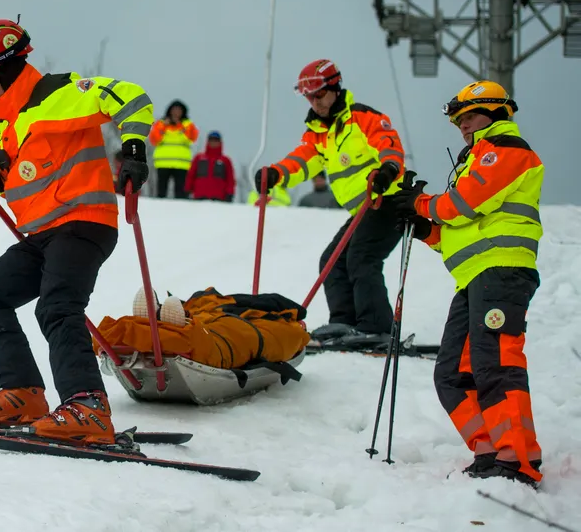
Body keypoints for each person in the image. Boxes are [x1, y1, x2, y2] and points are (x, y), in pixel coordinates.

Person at [0, 18, 153, 445]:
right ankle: (22, 392)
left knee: (57, 306)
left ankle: (88, 407)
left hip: (83, 221)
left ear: (2, 70)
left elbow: (130, 96)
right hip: (43, 234)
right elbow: (20, 166)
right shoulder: (3, 122)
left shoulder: (57, 95)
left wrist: (133, 150)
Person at [391, 81, 543, 487]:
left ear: (495, 113)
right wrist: (424, 228)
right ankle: (490, 449)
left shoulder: (506, 150)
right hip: (476, 276)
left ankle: (518, 458)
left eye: (470, 116)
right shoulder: (476, 159)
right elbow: (460, 232)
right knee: (452, 374)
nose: (462, 125)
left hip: (502, 271)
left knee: (497, 364)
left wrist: (421, 203)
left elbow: (463, 204)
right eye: (458, 120)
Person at [254, 59, 406, 346]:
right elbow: (303, 160)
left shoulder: (362, 117)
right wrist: (276, 174)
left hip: (389, 200)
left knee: (361, 257)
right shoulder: (319, 132)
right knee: (332, 261)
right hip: (363, 210)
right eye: (309, 97)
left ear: (335, 88)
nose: (315, 102)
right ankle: (344, 323)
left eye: (320, 94)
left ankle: (376, 327)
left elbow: (389, 145)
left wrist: (388, 169)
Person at [149, 99, 198, 198]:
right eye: (174, 110)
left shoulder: (188, 124)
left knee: (181, 192)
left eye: (179, 110)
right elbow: (153, 140)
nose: (176, 113)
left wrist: (180, 126)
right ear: (169, 111)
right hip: (163, 162)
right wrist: (163, 127)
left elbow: (193, 138)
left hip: (181, 163)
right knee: (161, 191)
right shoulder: (161, 124)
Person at [185, 131, 236, 202]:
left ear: (220, 142)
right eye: (211, 140)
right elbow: (191, 175)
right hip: (199, 197)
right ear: (208, 142)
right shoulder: (199, 158)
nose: (213, 142)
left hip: (219, 198)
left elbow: (230, 179)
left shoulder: (225, 160)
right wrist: (187, 189)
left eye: (216, 140)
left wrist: (230, 193)